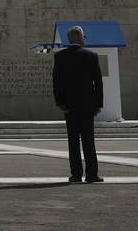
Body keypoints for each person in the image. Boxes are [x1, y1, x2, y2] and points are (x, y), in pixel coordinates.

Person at [52, 25, 103, 183]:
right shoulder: (91, 55)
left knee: (73, 140)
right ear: (80, 38)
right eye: (84, 37)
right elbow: (98, 83)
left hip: (69, 106)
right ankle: (91, 174)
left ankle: (76, 174)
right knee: (88, 140)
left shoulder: (60, 57)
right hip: (87, 106)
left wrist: (60, 102)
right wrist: (98, 104)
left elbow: (56, 82)